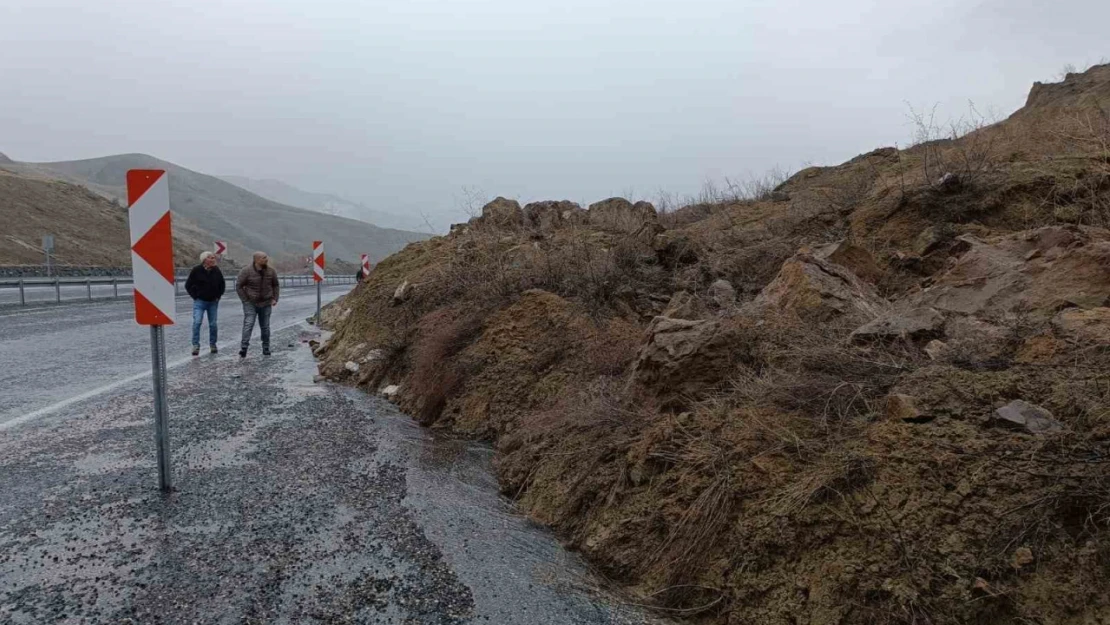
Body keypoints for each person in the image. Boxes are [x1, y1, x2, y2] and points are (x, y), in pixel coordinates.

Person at [236, 251, 280, 358]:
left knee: (265, 327)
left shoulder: (271, 271)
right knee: (248, 324)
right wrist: (245, 300)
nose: (266, 259)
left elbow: (276, 285)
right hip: (250, 302)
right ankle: (244, 348)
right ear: (256, 259)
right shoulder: (246, 271)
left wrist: (275, 298)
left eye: (266, 257)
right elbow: (239, 286)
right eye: (263, 258)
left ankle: (266, 347)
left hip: (266, 302)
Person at [185, 251, 225, 356]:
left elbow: (222, 284)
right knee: (197, 322)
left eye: (213, 258)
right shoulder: (196, 270)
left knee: (213, 324)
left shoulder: (216, 270)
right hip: (200, 301)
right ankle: (195, 346)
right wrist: (195, 296)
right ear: (204, 260)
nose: (213, 259)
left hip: (213, 302)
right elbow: (188, 285)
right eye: (211, 258)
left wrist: (218, 296)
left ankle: (213, 345)